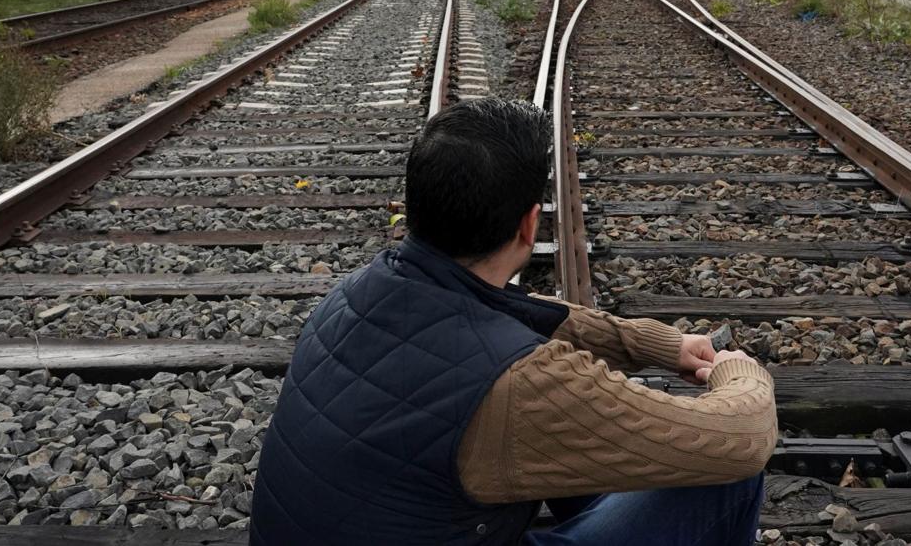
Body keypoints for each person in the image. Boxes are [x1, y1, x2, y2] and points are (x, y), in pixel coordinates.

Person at [250, 99, 777, 545]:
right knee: (722, 477)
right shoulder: (518, 387)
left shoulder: (357, 291)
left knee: (575, 449)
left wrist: (658, 345)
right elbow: (742, 439)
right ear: (530, 225)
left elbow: (514, 309)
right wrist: (739, 372)